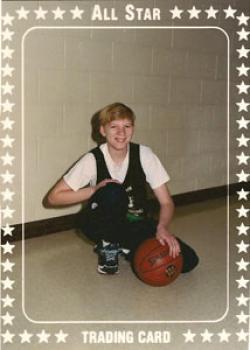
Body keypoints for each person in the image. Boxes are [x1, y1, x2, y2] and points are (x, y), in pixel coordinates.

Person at [47, 102, 199, 275]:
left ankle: (125, 245)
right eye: (114, 127)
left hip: (134, 224)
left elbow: (166, 202)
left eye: (127, 126)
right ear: (103, 131)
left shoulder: (145, 155)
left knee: (188, 261)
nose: (121, 132)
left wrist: (162, 228)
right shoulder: (92, 160)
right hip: (98, 224)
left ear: (133, 129)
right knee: (113, 191)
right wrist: (94, 190)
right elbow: (54, 197)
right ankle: (108, 245)